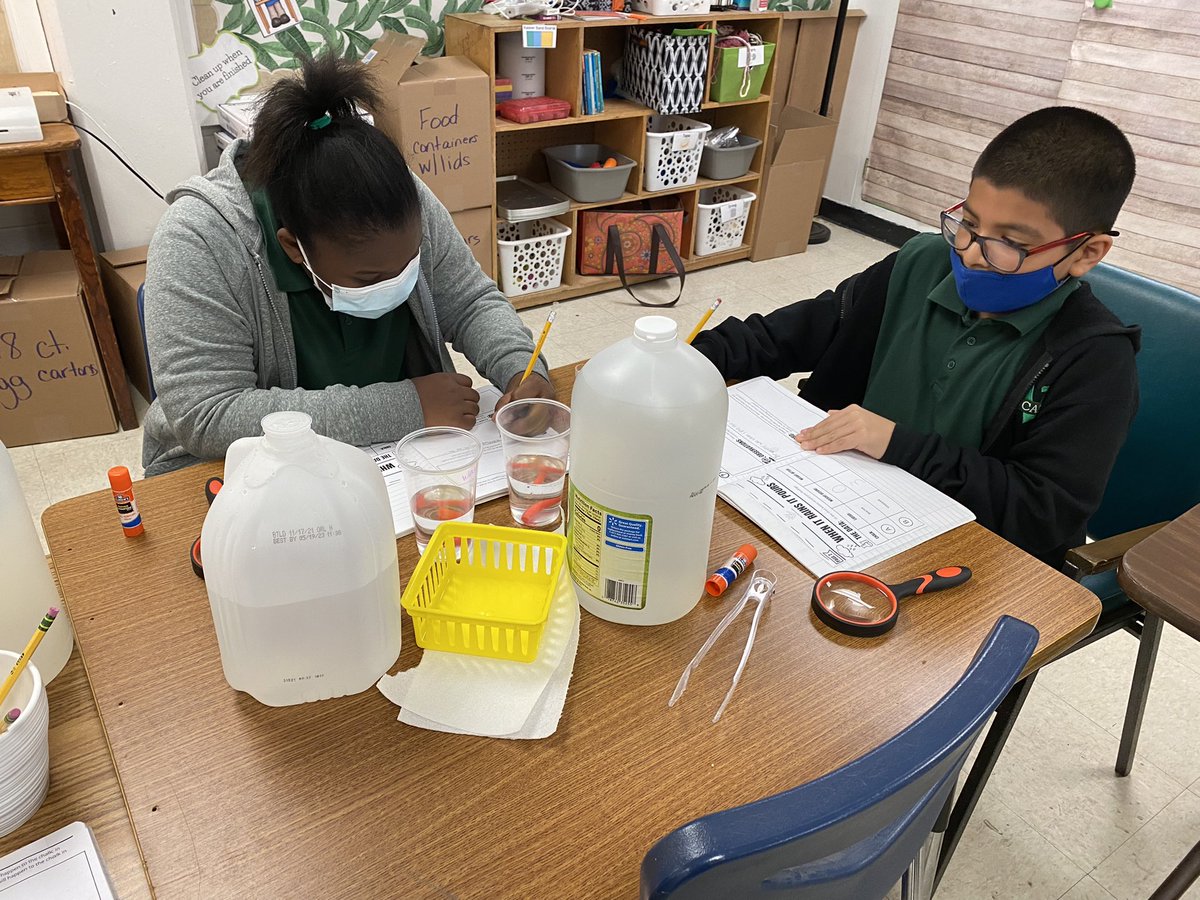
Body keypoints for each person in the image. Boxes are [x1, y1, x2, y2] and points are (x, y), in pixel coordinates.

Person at [693, 106, 1141, 567]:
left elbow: (1041, 512)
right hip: (834, 506)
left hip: (970, 562)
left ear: (1087, 252)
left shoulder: (1094, 360)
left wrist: (895, 442)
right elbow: (791, 333)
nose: (970, 255)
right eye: (968, 223)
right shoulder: (921, 263)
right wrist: (684, 361)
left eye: (1009, 243)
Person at [141, 54, 553, 476]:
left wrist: (520, 367)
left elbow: (468, 301)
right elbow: (208, 414)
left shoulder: (399, 200)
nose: (397, 281)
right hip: (245, 473)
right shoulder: (200, 238)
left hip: (399, 456)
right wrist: (405, 407)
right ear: (294, 247)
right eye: (369, 278)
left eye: (409, 264)